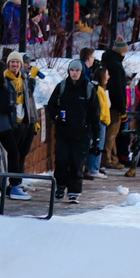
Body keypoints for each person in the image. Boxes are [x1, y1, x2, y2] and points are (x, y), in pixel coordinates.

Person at [0, 53, 37, 199]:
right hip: (9, 123)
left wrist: (33, 120)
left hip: (24, 121)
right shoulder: (3, 80)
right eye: (12, 62)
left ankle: (16, 183)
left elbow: (30, 99)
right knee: (11, 153)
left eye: (17, 62)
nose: (15, 65)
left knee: (20, 153)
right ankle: (13, 185)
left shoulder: (24, 78)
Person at [47, 61, 95, 203]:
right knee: (61, 161)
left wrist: (96, 135)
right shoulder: (62, 86)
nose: (74, 73)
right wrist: (56, 116)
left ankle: (74, 190)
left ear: (81, 72)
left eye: (77, 70)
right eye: (72, 70)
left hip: (81, 133)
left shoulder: (88, 89)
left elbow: (94, 113)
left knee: (77, 163)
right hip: (63, 132)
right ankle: (61, 185)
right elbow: (52, 104)